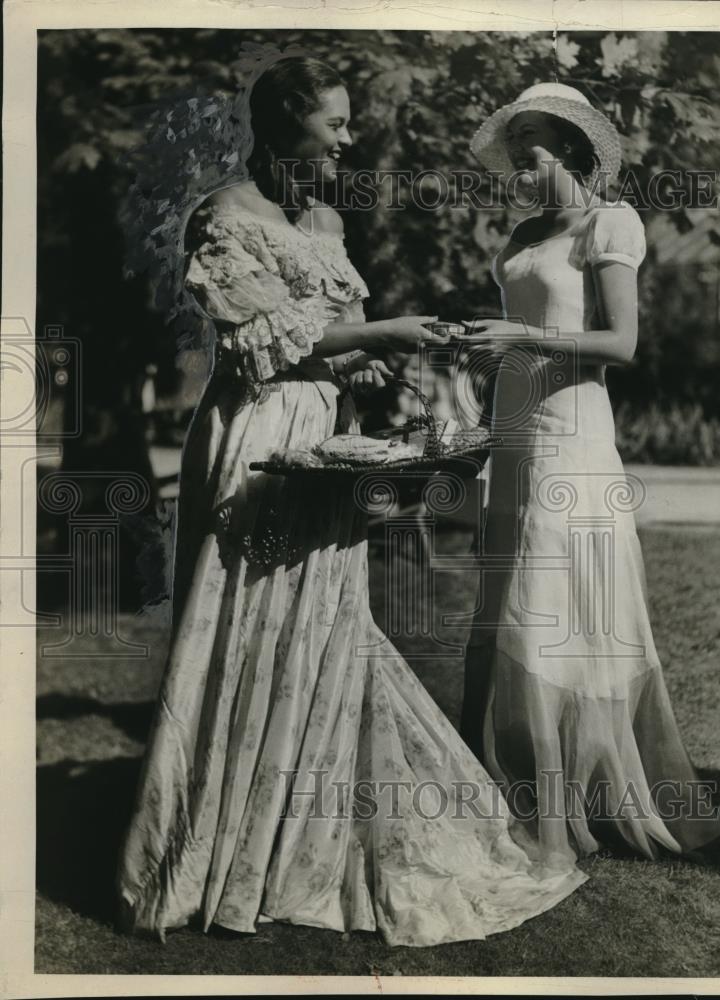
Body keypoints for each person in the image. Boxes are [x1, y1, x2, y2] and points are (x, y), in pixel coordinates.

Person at [116, 55, 587, 948]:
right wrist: (386, 329)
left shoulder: (327, 220)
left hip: (322, 433)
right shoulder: (222, 216)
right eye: (334, 123)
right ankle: (215, 851)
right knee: (245, 631)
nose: (348, 137)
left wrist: (368, 360)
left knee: (324, 631)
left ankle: (304, 835)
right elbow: (261, 346)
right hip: (256, 441)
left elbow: (317, 343)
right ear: (287, 124)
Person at [461, 83, 720, 866]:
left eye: (531, 154)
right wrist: (487, 369)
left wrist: (519, 335)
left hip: (571, 434)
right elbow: (519, 337)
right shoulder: (521, 232)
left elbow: (622, 345)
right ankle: (495, 781)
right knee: (504, 590)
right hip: (514, 429)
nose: (518, 170)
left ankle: (564, 797)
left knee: (553, 602)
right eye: (513, 158)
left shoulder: (610, 223)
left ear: (573, 152)